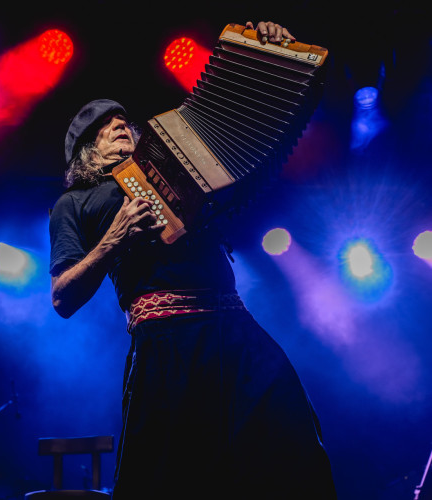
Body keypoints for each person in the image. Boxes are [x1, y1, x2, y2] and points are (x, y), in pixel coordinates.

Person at [49, 21, 337, 499]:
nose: (120, 125)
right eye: (104, 128)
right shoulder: (74, 204)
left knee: (296, 449)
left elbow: (248, 144)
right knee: (166, 480)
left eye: (123, 122)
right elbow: (61, 297)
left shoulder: (185, 175)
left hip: (234, 328)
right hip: (166, 342)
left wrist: (266, 54)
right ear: (84, 152)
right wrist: (112, 241)